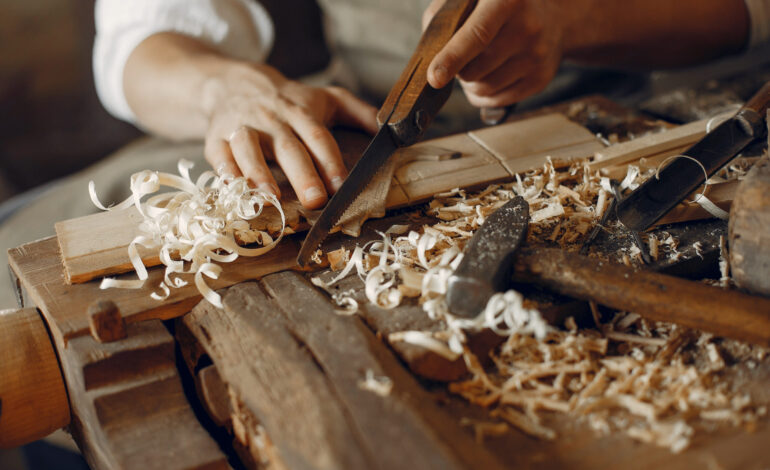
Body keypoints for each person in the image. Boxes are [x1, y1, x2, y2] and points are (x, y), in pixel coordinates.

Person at [0, 0, 767, 309]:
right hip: (363, 112)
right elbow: (141, 40)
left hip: (638, 104)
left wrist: (570, 19)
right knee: (28, 273)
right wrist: (227, 92)